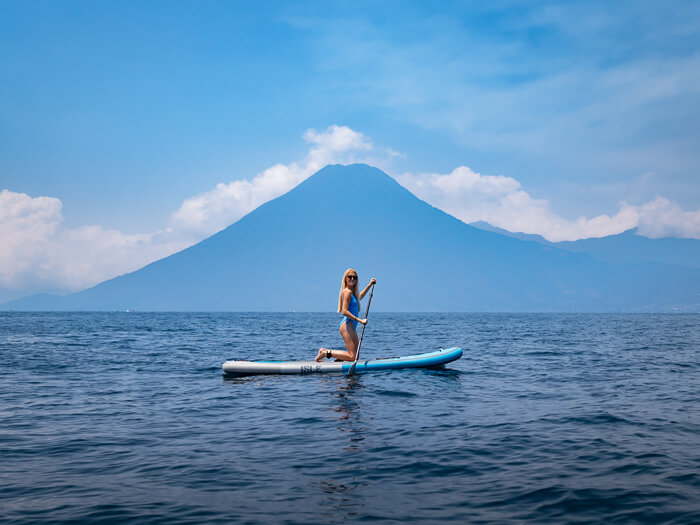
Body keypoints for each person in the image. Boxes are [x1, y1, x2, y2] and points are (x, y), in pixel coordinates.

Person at [316, 269, 376, 362]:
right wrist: (360, 320)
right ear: (345, 279)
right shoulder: (347, 292)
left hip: (351, 326)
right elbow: (344, 311)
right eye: (350, 277)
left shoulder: (352, 292)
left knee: (355, 355)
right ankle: (326, 353)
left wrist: (369, 285)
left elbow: (359, 297)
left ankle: (335, 358)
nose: (352, 279)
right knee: (353, 357)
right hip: (347, 325)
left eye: (354, 277)